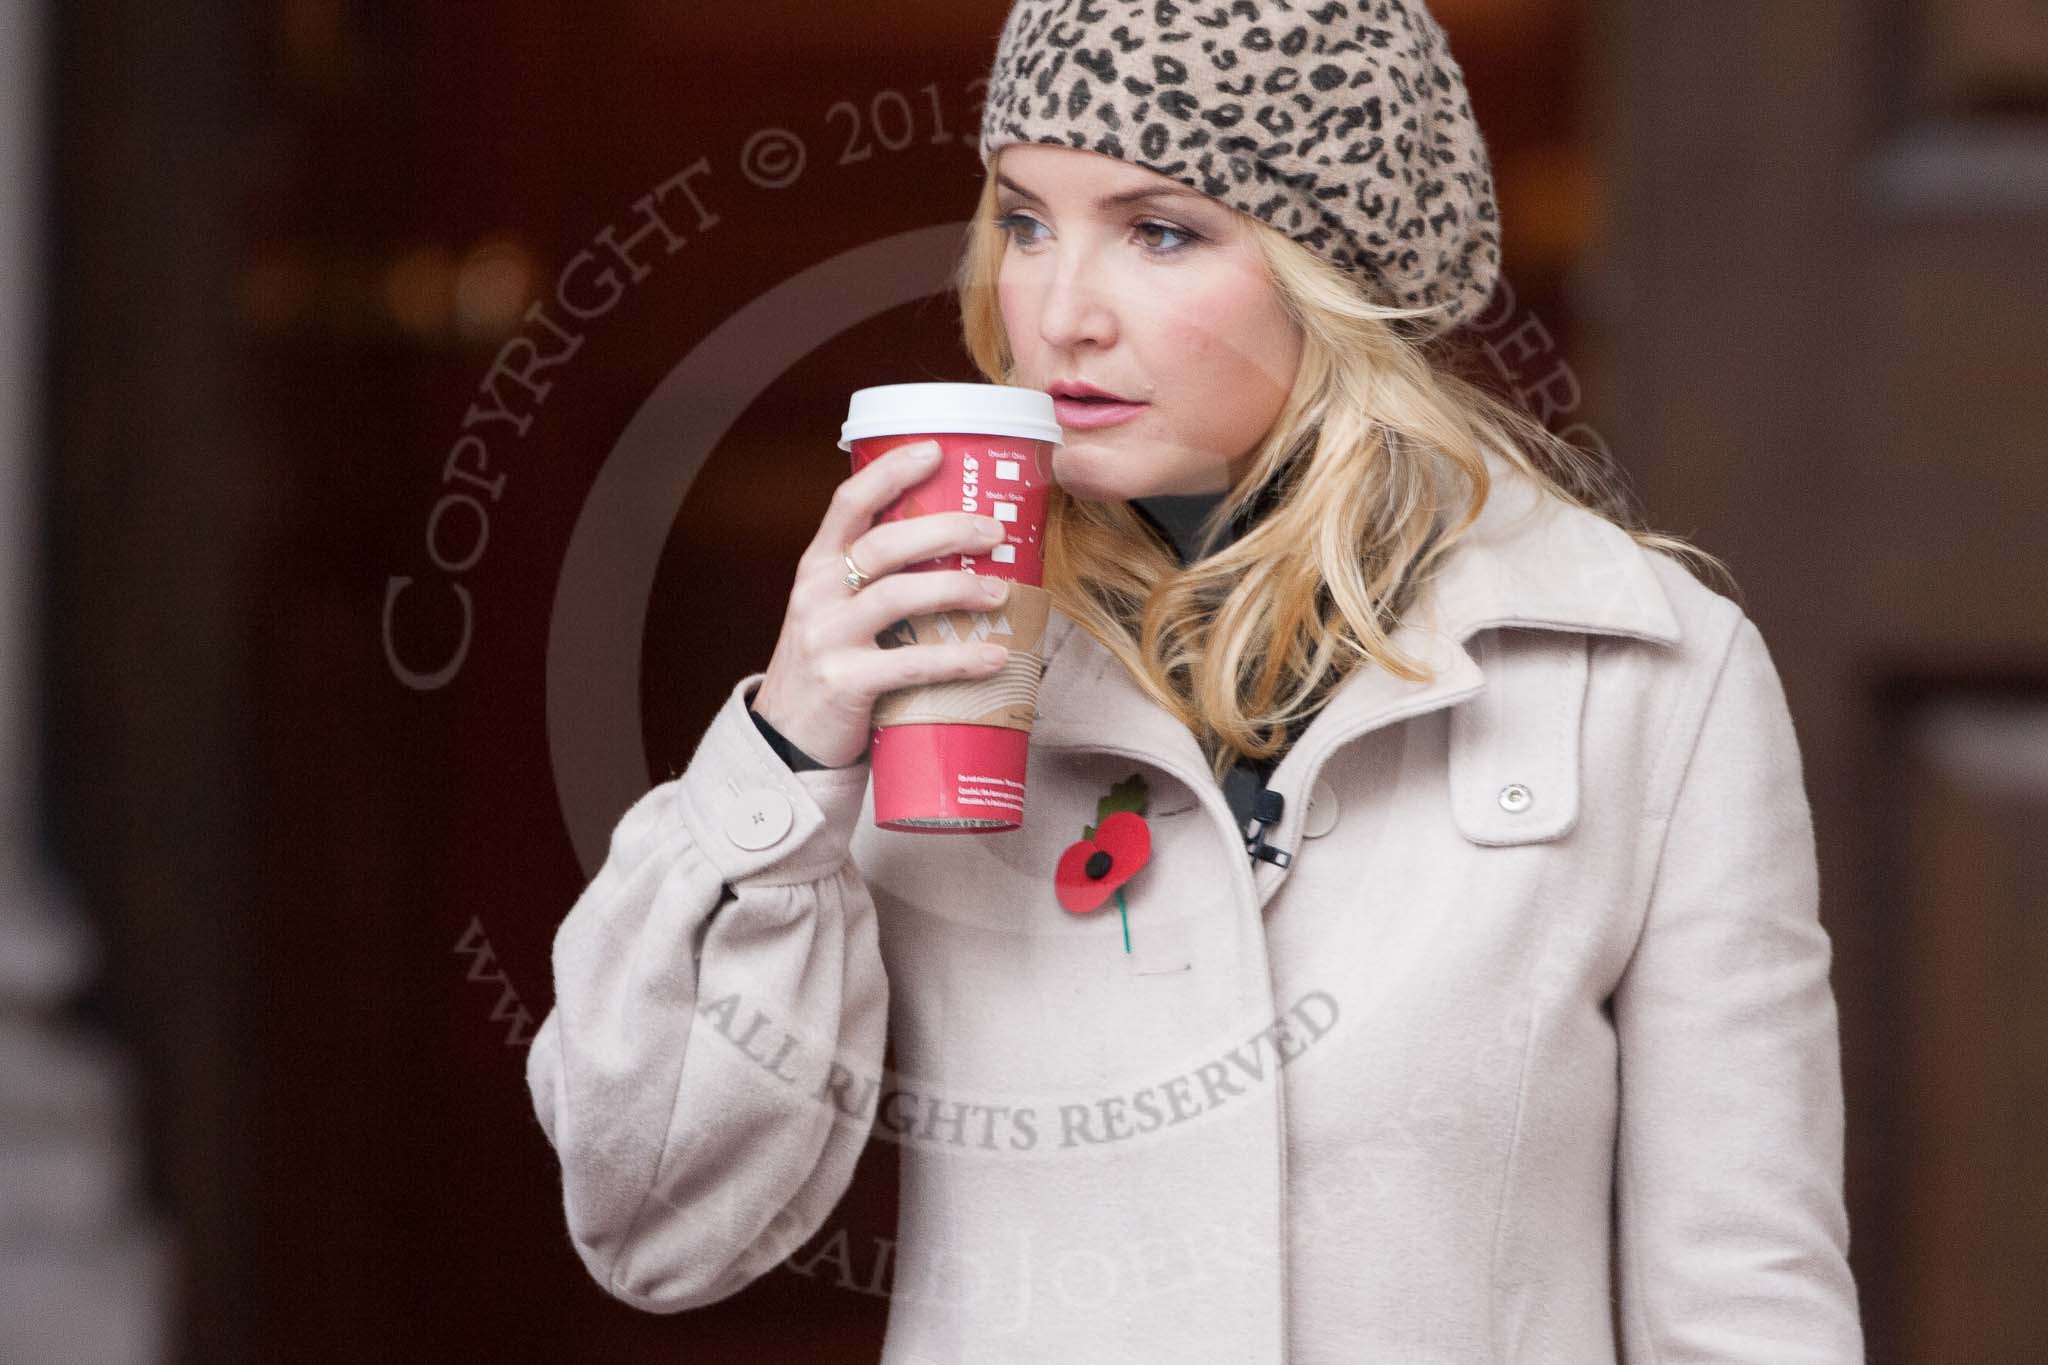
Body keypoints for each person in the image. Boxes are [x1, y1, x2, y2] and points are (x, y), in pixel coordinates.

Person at [527, 3, 1866, 1360]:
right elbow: (655, 1217)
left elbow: (1744, 1295)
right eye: (1028, 221)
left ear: (1339, 270)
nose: (1057, 313)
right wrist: (788, 749)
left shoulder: (1640, 671)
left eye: (1161, 229)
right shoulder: (946, 648)